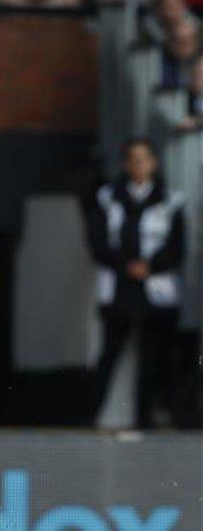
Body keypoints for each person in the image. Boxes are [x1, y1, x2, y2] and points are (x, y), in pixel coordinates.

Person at [89, 140, 187, 430]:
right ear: (125, 164)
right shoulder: (108, 197)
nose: (138, 166)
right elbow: (99, 241)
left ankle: (146, 416)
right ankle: (89, 415)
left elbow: (177, 248)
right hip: (120, 287)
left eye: (144, 159)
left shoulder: (170, 200)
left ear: (154, 163)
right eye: (133, 160)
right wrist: (126, 265)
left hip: (156, 291)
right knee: (109, 353)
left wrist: (152, 266)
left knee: (153, 355)